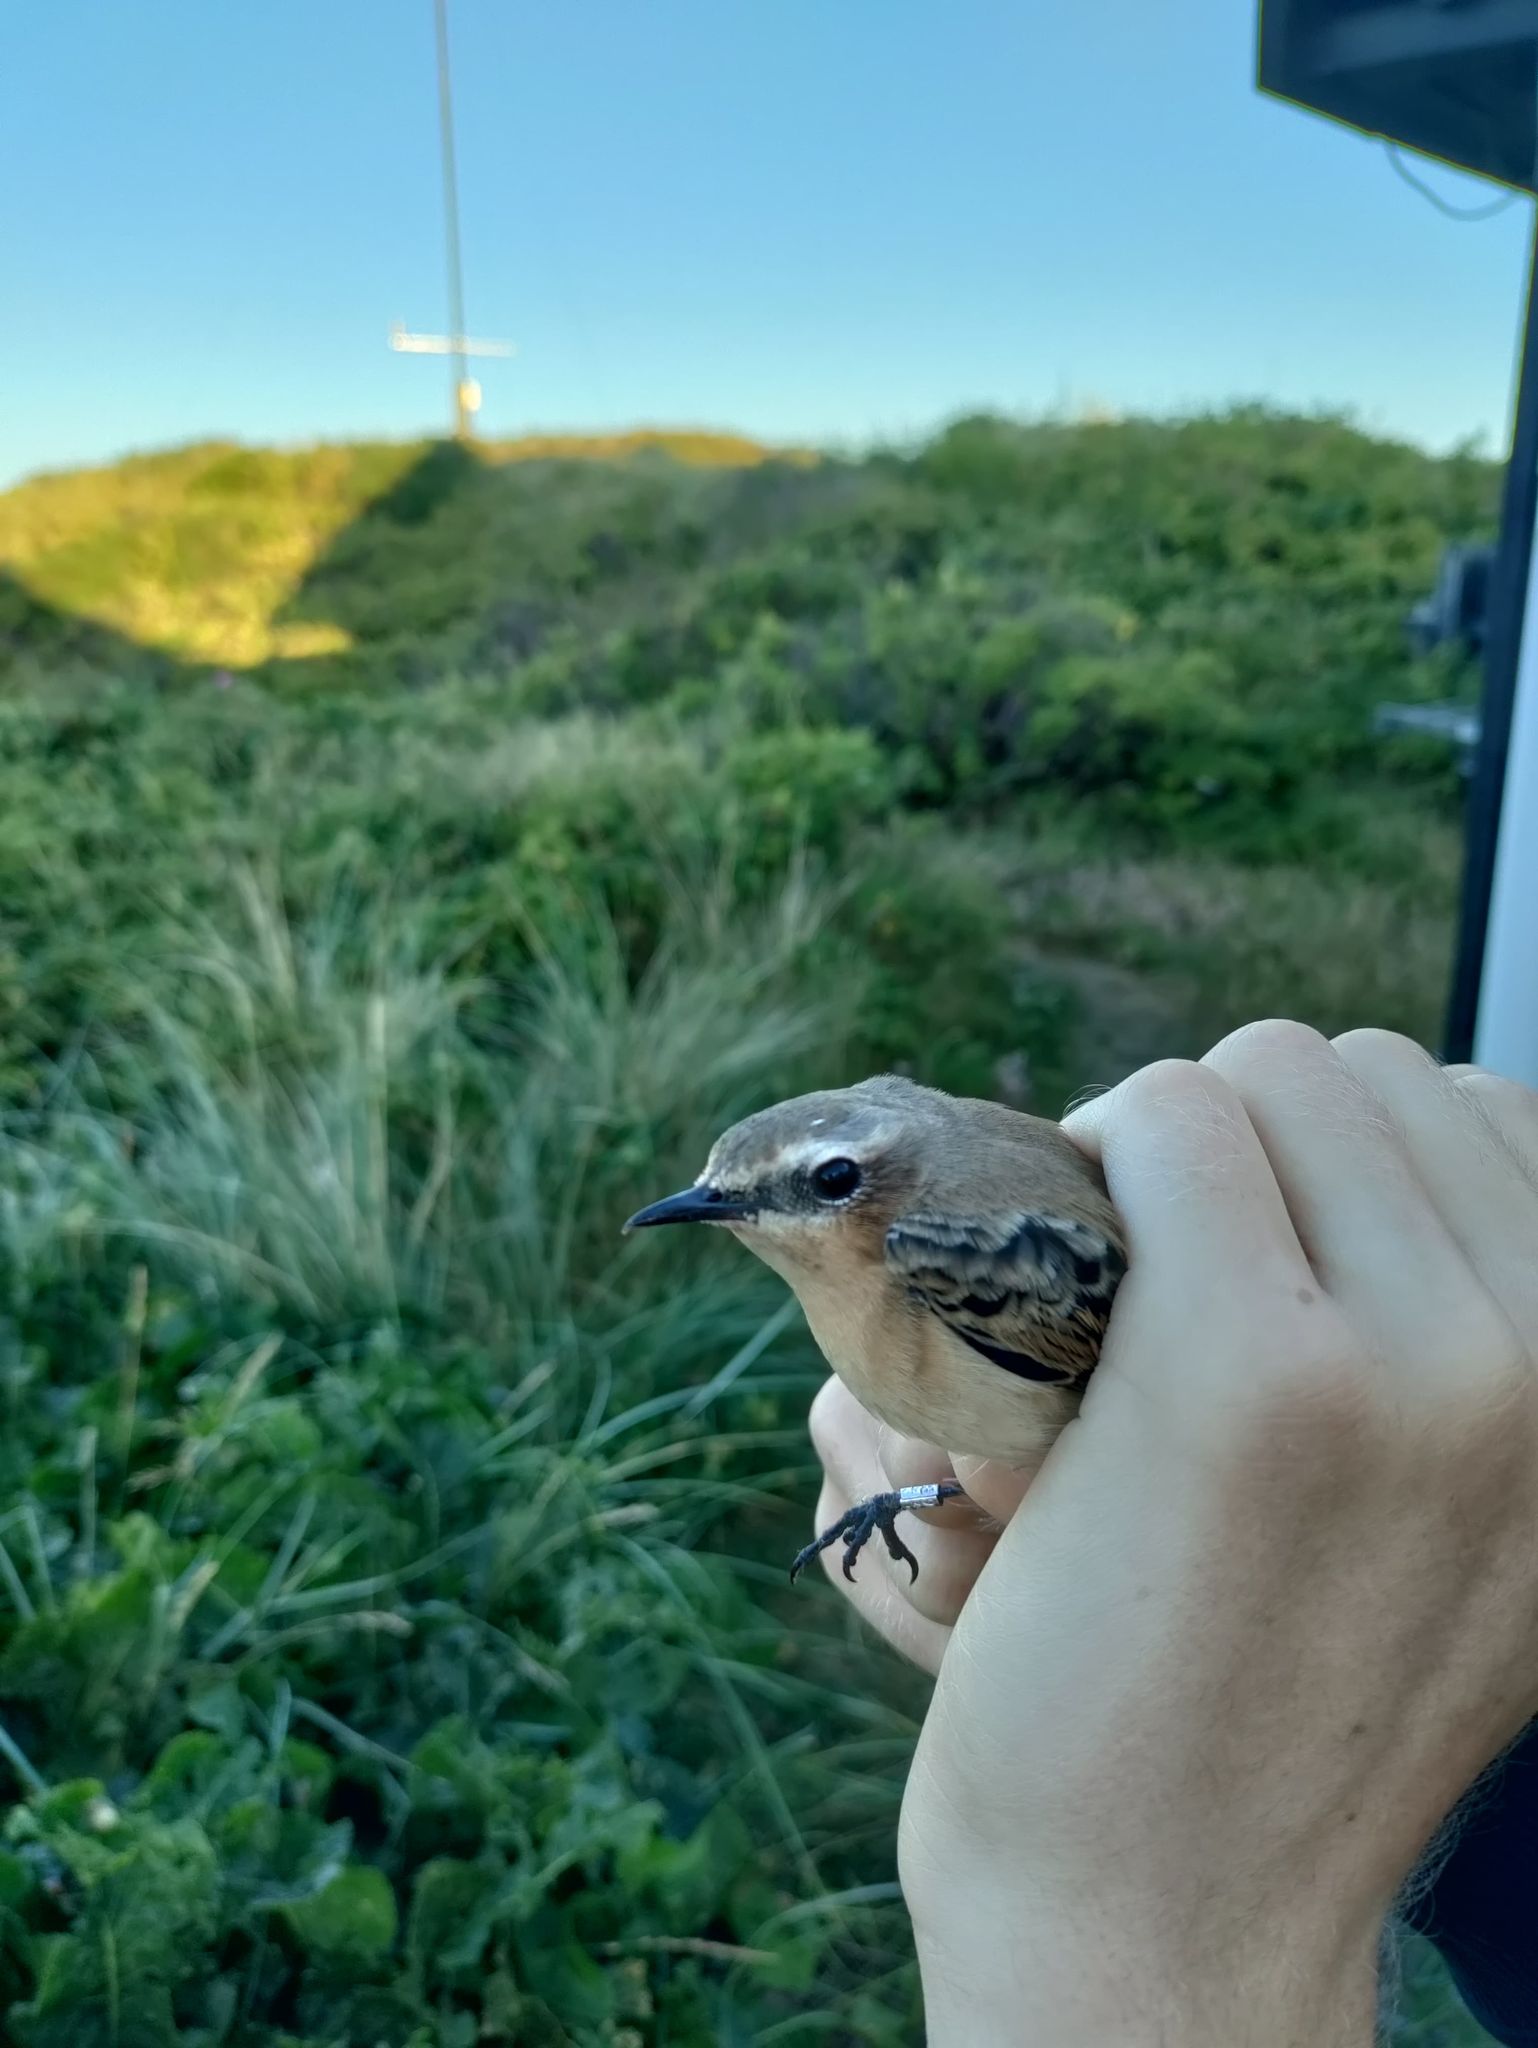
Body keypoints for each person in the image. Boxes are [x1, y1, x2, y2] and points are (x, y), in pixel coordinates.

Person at [806, 1023, 1538, 2047]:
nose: (756, 1216)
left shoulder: (944, 1257)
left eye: (819, 1183)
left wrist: (1117, 1912)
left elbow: (1110, 1386)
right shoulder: (881, 1287)